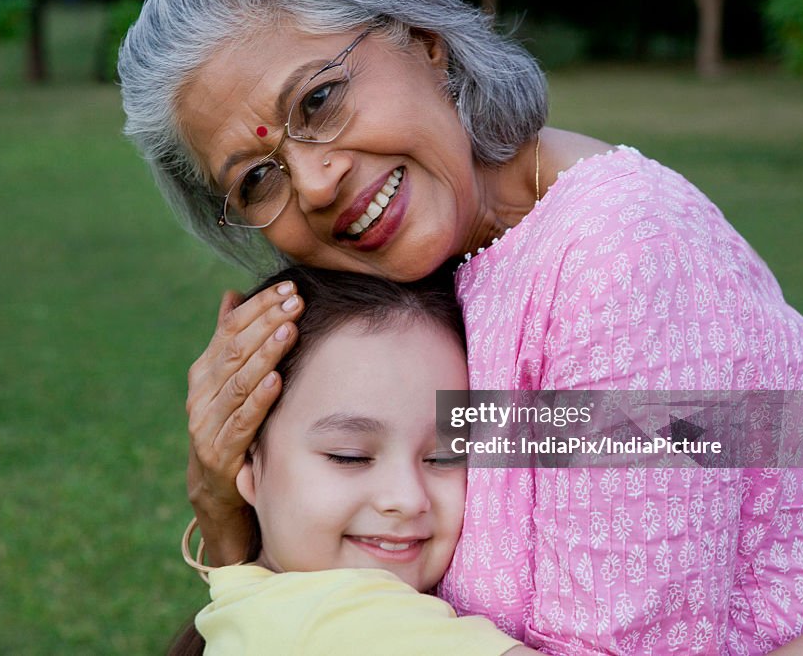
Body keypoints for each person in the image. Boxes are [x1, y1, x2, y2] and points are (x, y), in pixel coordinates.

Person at [118, 0, 803, 651]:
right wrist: (224, 508)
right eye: (255, 179)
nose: (312, 182)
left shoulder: (616, 257)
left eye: (318, 100)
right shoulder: (442, 268)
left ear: (426, 46)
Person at [175, 266, 535, 655]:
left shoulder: (248, 606)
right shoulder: (348, 622)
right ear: (245, 463)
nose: (408, 498)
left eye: (443, 457)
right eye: (349, 457)